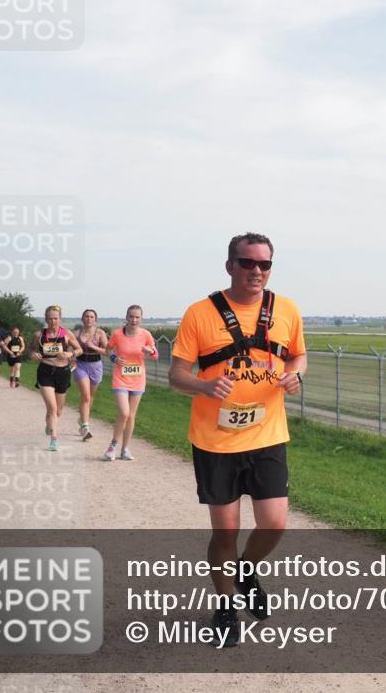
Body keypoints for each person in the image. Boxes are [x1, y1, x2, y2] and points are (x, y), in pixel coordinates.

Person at [169, 233, 306, 648]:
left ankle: (245, 571)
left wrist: (296, 375)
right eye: (248, 263)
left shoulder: (285, 309)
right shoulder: (200, 313)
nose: (257, 271)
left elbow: (299, 355)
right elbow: (177, 375)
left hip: (267, 435)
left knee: (275, 523)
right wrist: (204, 387)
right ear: (230, 265)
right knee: (226, 533)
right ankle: (226, 605)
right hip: (216, 442)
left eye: (265, 264)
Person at [102, 305, 157, 462]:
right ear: (126, 317)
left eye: (137, 317)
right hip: (121, 378)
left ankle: (125, 449)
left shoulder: (146, 334)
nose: (134, 320)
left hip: (138, 379)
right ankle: (112, 446)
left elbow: (155, 354)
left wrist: (150, 351)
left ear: (141, 319)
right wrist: (113, 358)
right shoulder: (117, 334)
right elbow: (107, 350)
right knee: (124, 413)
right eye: (131, 316)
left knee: (131, 416)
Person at [30, 305, 83, 452]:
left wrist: (70, 354)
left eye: (56, 318)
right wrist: (33, 354)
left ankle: (49, 425)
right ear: (46, 319)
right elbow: (32, 349)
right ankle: (54, 439)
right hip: (45, 371)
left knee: (58, 411)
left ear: (60, 319)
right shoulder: (39, 335)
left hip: (63, 372)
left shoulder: (67, 334)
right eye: (50, 319)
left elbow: (79, 350)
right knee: (52, 408)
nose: (53, 321)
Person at [74, 309, 108, 441]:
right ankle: (85, 427)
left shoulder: (100, 333)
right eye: (86, 317)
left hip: (96, 366)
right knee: (86, 396)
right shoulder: (76, 334)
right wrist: (72, 356)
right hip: (80, 365)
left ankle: (82, 418)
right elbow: (71, 350)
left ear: (95, 320)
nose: (89, 319)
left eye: (92, 317)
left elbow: (107, 351)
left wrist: (94, 347)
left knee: (90, 396)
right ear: (82, 319)